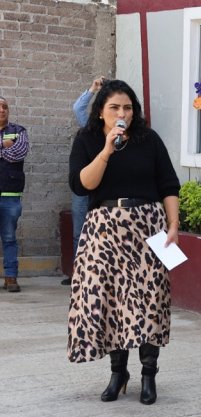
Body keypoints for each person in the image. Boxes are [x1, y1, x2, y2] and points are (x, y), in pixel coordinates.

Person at [67, 79, 181, 405]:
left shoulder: (149, 140)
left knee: (150, 301)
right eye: (114, 107)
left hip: (148, 227)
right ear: (101, 112)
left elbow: (169, 185)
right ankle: (118, 373)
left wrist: (173, 225)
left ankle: (149, 375)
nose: (122, 113)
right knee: (111, 302)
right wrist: (106, 149)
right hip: (103, 229)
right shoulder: (88, 140)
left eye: (128, 107)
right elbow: (81, 185)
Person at [62, 76, 106, 286]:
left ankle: (97, 276)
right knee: (79, 232)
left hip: (106, 190)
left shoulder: (124, 132)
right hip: (82, 188)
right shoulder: (90, 130)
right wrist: (93, 89)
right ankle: (78, 275)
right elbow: (78, 108)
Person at [0, 96, 29, 293]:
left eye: (5, 107)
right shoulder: (11, 137)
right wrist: (4, 147)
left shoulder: (19, 131)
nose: (2, 110)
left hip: (10, 194)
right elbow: (9, 152)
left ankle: (11, 277)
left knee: (9, 237)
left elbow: (19, 153)